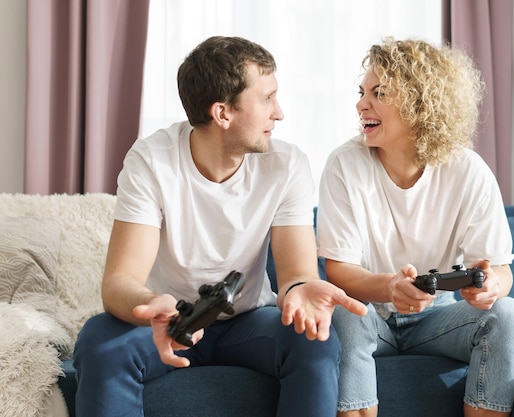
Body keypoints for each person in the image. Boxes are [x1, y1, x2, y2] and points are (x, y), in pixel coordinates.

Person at [72, 35, 367, 417]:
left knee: (313, 341)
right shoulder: (152, 160)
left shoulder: (287, 164)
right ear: (223, 113)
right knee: (98, 340)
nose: (279, 113)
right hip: (172, 321)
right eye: (266, 99)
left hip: (248, 322)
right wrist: (151, 305)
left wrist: (301, 289)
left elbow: (296, 274)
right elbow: (118, 282)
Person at [316, 37, 514, 417]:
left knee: (511, 315)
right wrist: (388, 287)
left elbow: (498, 269)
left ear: (420, 104)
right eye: (362, 91)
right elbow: (338, 269)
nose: (361, 104)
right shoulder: (343, 165)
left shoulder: (468, 170)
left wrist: (491, 287)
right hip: (373, 315)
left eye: (379, 93)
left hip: (440, 317)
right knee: (344, 313)